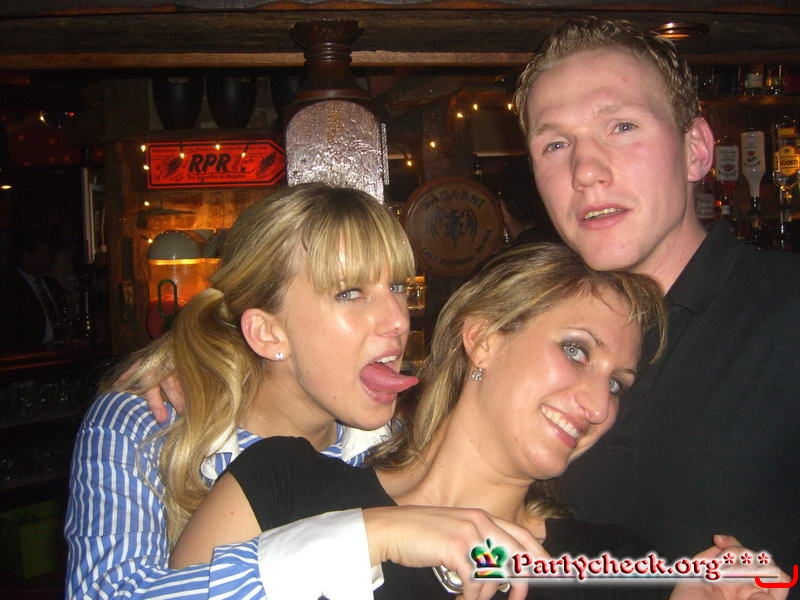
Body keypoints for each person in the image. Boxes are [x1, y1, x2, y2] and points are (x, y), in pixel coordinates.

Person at [170, 242, 787, 599]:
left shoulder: (610, 567)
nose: (599, 408)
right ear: (484, 339)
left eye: (616, 384)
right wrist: (373, 535)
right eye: (576, 350)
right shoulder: (282, 483)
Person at [512, 16, 800, 582]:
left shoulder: (788, 315)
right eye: (555, 144)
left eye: (621, 126)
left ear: (696, 150)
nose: (585, 172)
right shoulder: (521, 333)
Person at [65, 183, 428, 599]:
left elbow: (484, 553)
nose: (398, 320)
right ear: (268, 333)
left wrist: (483, 565)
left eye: (397, 286)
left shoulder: (401, 443)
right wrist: (362, 538)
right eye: (350, 293)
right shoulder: (147, 424)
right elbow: (108, 593)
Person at [0, 230, 64, 352]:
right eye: (42, 255)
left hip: (57, 351)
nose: (48, 259)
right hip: (27, 354)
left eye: (49, 254)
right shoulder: (9, 287)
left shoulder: (52, 284)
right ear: (26, 255)